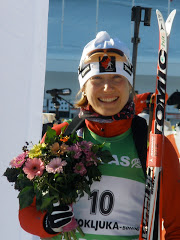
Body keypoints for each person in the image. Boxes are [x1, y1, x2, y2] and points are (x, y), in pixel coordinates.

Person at [19, 31, 180, 240]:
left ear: (129, 84)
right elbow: (26, 211)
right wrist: (47, 224)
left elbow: (176, 226)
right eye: (97, 79)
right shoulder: (60, 137)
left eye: (117, 78)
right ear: (84, 87)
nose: (107, 87)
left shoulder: (154, 144)